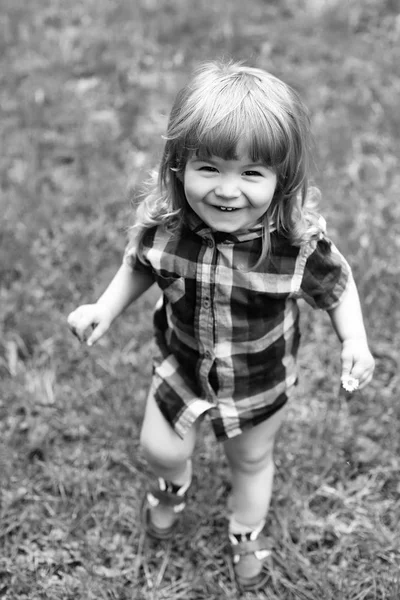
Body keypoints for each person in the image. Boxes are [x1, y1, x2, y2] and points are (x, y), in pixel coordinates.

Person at [67, 60, 375, 591]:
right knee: (160, 446)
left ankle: (245, 531)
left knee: (251, 461)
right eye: (208, 168)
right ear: (177, 167)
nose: (228, 190)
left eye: (252, 174)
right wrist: (104, 308)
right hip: (183, 365)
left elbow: (338, 286)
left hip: (259, 378)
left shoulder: (295, 247)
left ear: (283, 181)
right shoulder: (166, 230)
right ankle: (173, 481)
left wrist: (356, 340)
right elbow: (138, 265)